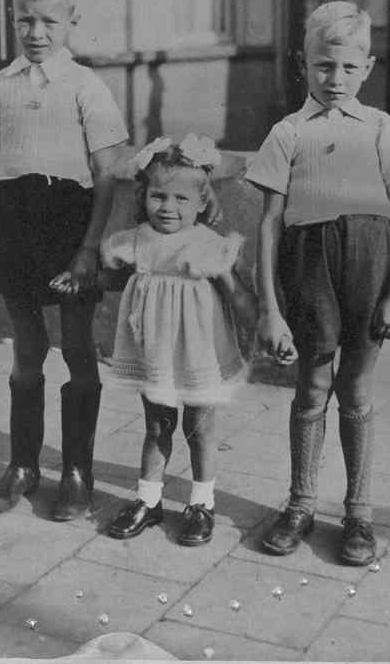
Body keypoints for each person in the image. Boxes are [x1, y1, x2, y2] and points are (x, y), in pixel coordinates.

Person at [246, 1, 390, 566]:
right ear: (304, 64)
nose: (336, 79)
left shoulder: (380, 128)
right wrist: (269, 310)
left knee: (357, 388)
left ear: (367, 68)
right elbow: (268, 226)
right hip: (308, 268)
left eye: (349, 67)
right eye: (324, 65)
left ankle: (358, 514)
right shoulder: (288, 132)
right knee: (312, 385)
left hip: (369, 267)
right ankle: (301, 504)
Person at [0, 0, 127, 521]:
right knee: (27, 350)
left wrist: (88, 249)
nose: (36, 32)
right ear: (13, 17)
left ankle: (77, 473)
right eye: (25, 20)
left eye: (49, 21)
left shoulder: (86, 87)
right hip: (14, 227)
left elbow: (106, 175)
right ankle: (23, 466)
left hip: (69, 228)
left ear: (71, 21)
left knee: (77, 348)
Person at [57, 135, 256, 546]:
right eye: (158, 196)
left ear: (202, 202)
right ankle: (149, 500)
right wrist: (82, 280)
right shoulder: (137, 239)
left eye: (182, 199)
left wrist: (261, 329)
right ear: (143, 196)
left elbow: (235, 293)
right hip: (154, 350)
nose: (168, 207)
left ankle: (202, 504)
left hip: (199, 349)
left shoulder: (208, 245)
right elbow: (114, 278)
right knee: (156, 425)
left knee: (199, 427)